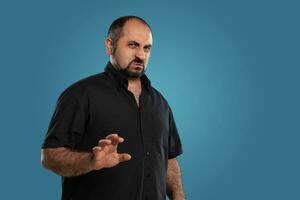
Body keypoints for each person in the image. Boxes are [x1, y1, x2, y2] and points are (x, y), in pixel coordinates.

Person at [41, 16, 185, 200]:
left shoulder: (161, 103)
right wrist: (91, 161)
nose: (141, 55)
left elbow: (169, 160)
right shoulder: (80, 94)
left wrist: (179, 197)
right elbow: (50, 156)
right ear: (110, 46)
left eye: (146, 48)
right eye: (132, 45)